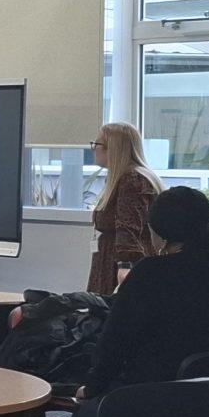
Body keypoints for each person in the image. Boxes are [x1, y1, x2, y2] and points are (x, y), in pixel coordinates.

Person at [75, 184, 209, 417]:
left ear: (158, 232)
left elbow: (115, 342)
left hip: (149, 400)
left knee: (89, 416)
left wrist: (92, 387)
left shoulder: (149, 274)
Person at [88, 120, 163, 297]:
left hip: (121, 264)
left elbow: (129, 226)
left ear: (113, 148)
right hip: (112, 258)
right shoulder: (122, 177)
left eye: (97, 144)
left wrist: (125, 265)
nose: (93, 149)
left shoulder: (131, 180)